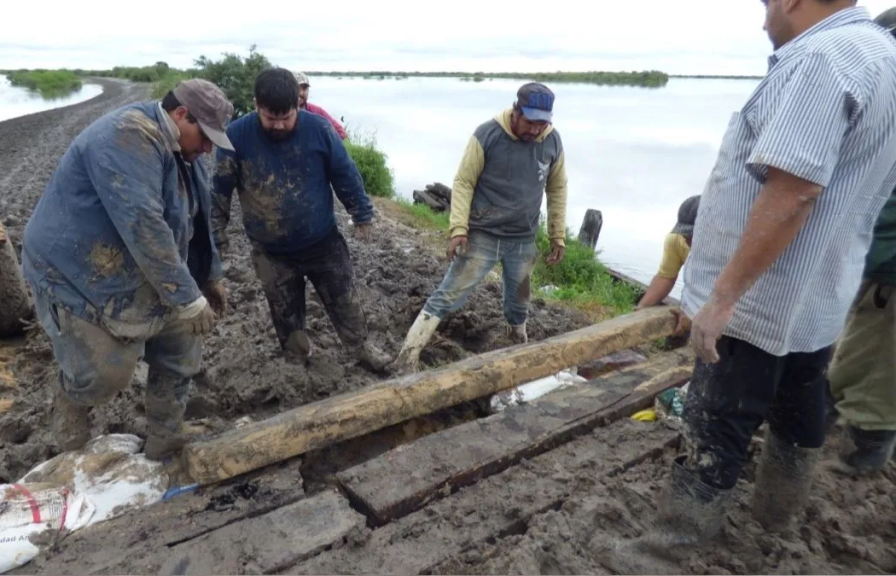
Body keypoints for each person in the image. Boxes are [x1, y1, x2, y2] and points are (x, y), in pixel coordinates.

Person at [596, 2, 896, 572]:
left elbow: (793, 190)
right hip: (821, 295)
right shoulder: (885, 57)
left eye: (765, 5)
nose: (764, 20)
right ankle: (776, 518)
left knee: (716, 423)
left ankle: (665, 552)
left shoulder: (822, 60)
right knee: (798, 411)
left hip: (762, 301)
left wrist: (724, 297)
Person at [22, 79, 233, 460]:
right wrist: (186, 296)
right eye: (204, 137)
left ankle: (164, 437)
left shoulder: (187, 154)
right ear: (181, 114)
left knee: (183, 344)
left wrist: (210, 277)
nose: (206, 149)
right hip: (78, 271)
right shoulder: (126, 136)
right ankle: (71, 396)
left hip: (142, 264)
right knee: (105, 375)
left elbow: (199, 222)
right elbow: (143, 223)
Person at [211, 67, 389, 371]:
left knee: (345, 299)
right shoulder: (235, 137)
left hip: (322, 240)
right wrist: (217, 235)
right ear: (256, 105)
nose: (279, 125)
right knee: (285, 310)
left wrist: (361, 212)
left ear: (298, 104)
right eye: (270, 118)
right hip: (270, 250)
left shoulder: (319, 129)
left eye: (286, 117)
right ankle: (296, 357)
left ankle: (360, 347)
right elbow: (219, 190)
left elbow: (344, 173)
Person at [393, 82, 568, 372]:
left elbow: (557, 188)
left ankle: (517, 343)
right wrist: (458, 228)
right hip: (483, 235)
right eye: (530, 122)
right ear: (516, 110)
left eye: (542, 124)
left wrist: (557, 234)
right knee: (449, 294)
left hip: (523, 240)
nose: (536, 130)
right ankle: (407, 356)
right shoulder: (487, 135)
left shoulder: (552, 142)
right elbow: (464, 182)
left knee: (520, 300)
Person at [827, 6, 896, 476]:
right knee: (853, 356)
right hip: (871, 262)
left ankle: (863, 459)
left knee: (874, 374)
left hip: (887, 269)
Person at [636, 195, 700, 309]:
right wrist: (640, 310)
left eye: (691, 235)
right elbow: (665, 277)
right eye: (684, 234)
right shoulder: (676, 239)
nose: (686, 239)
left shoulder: (730, 248)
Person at [293, 71, 347, 140]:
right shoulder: (280, 113)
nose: (300, 93)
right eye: (297, 88)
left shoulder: (316, 111)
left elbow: (340, 132)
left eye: (304, 88)